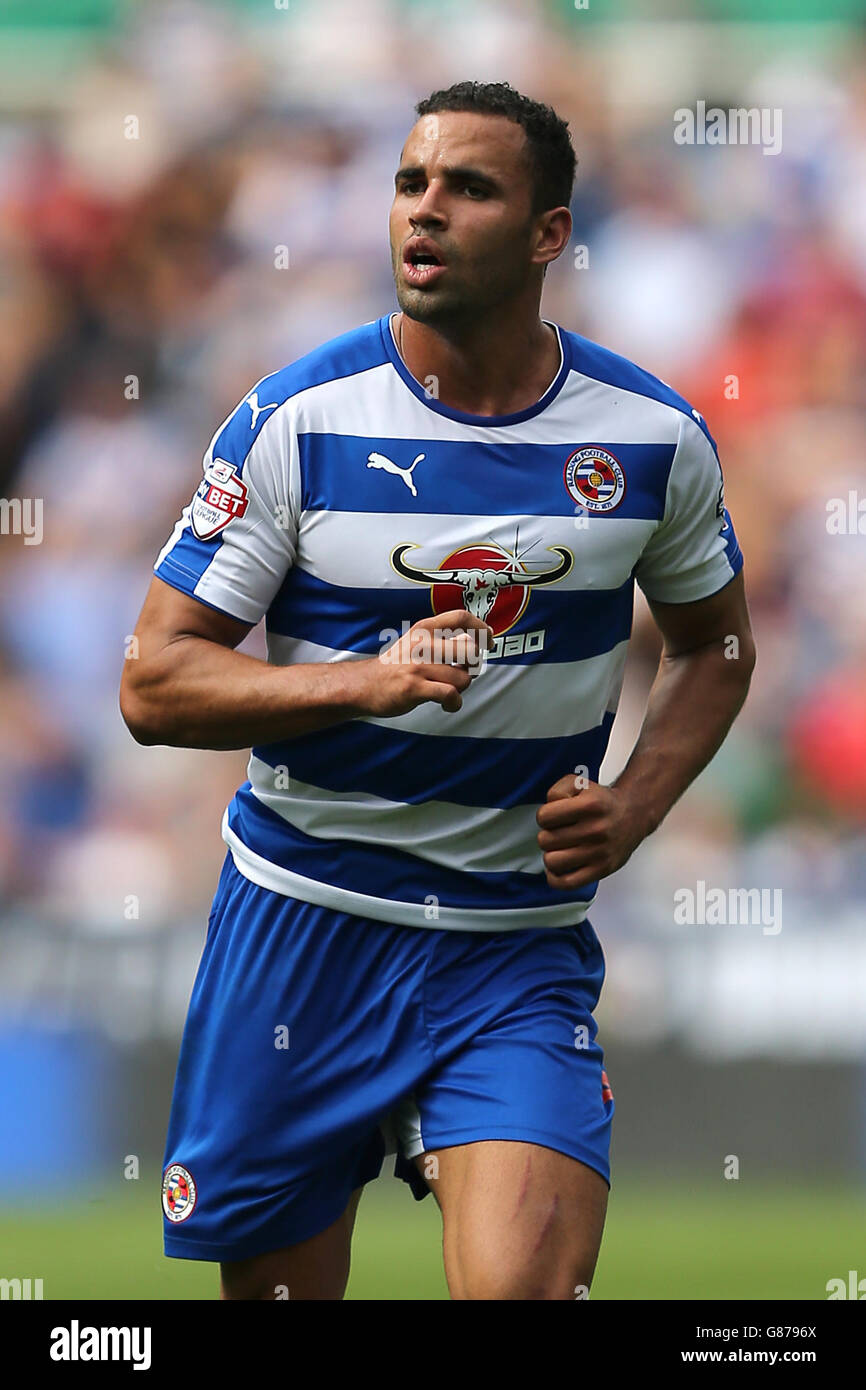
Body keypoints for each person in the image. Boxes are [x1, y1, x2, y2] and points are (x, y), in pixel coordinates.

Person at [119, 80, 755, 1301]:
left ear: (546, 234)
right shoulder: (299, 419)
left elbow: (712, 647)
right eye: (410, 183)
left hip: (511, 945)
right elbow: (155, 679)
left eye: (468, 188)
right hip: (300, 924)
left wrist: (633, 806)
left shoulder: (647, 436)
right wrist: (364, 682)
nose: (424, 211)